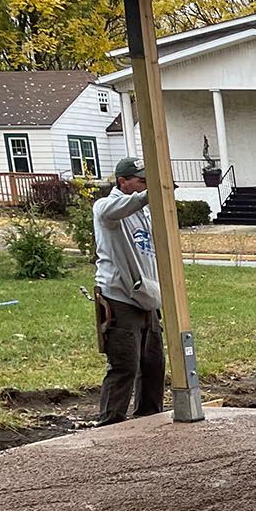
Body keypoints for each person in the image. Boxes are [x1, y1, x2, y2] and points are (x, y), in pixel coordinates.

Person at [92, 156, 163, 426]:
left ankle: (150, 419)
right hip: (119, 298)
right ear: (122, 182)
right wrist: (150, 194)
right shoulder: (106, 209)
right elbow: (123, 206)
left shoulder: (143, 215)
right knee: (125, 366)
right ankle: (110, 425)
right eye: (141, 181)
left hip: (148, 298)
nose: (146, 186)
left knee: (153, 365)